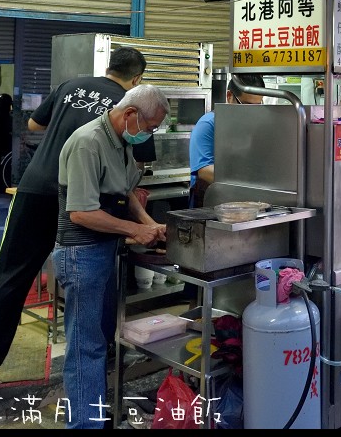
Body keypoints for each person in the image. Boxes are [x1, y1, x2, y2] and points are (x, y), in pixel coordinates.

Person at [0, 46, 147, 389]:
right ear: (137, 78)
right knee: (96, 274)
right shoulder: (129, 107)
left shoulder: (71, 86)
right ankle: (103, 349)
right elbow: (137, 162)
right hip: (87, 198)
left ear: (108, 67)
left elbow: (34, 123)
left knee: (12, 272)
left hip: (37, 187)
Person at [53, 83, 170, 429]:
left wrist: (151, 225)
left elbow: (126, 192)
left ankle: (97, 418)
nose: (148, 135)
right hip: (81, 254)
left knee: (101, 342)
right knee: (84, 348)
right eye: (149, 128)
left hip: (102, 252)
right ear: (131, 114)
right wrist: (134, 231)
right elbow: (81, 213)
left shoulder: (117, 142)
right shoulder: (88, 143)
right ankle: (85, 425)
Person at [188, 74, 266, 206]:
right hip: (210, 202)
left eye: (257, 106)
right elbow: (205, 171)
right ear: (230, 96)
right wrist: (245, 185)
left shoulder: (254, 126)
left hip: (244, 202)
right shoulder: (209, 124)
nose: (252, 112)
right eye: (247, 105)